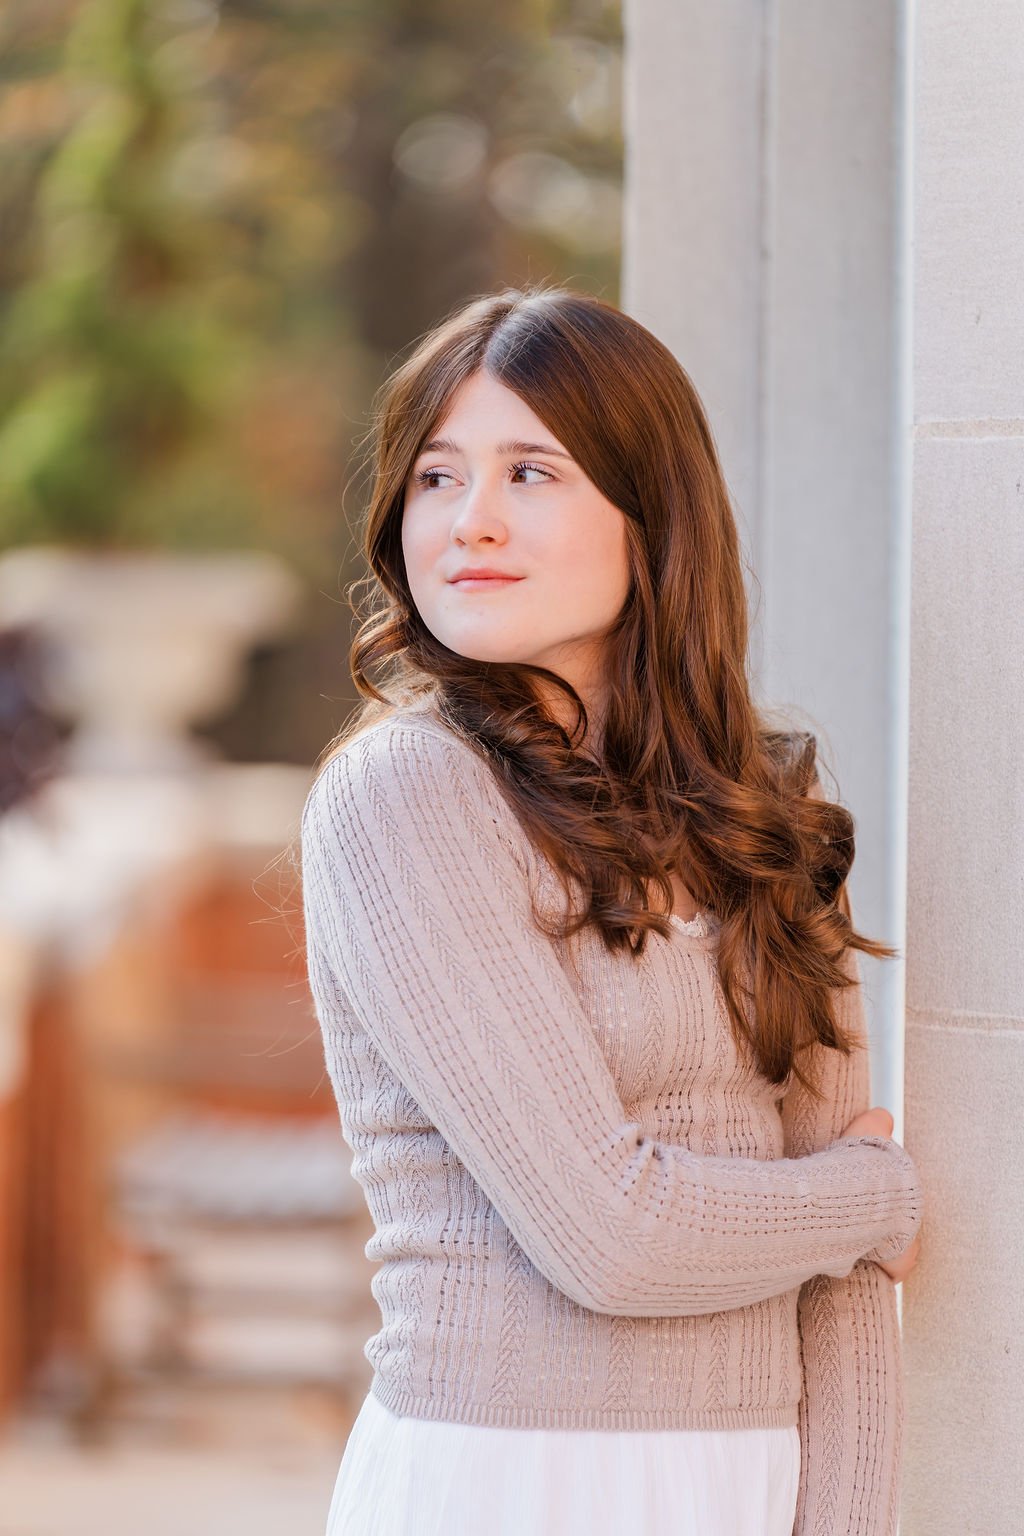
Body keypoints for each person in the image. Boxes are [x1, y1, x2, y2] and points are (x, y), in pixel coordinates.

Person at [299, 285, 924, 1536]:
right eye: (434, 477)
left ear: (650, 514)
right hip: (505, 1478)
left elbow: (841, 1291)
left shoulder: (767, 814)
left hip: (750, 1481)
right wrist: (883, 1193)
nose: (469, 521)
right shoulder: (409, 792)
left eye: (531, 471)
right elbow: (611, 1235)